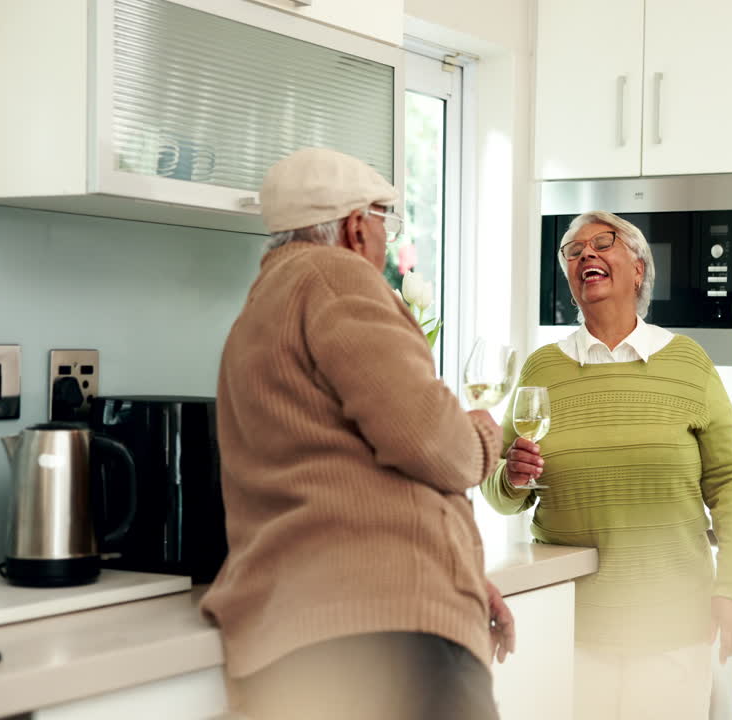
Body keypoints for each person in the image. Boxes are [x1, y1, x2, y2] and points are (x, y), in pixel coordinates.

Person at [201, 147, 515, 720]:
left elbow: (352, 478)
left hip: (295, 634)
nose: (387, 244)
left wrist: (459, 577)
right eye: (384, 224)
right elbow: (432, 443)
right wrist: (484, 438)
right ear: (354, 227)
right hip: (389, 643)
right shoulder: (336, 276)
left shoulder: (255, 313)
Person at [480, 210, 732, 720]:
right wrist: (513, 477)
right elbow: (497, 490)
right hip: (573, 623)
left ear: (638, 269)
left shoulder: (688, 362)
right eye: (574, 250)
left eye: (602, 243)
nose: (586, 254)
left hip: (673, 619)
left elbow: (731, 484)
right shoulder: (544, 368)